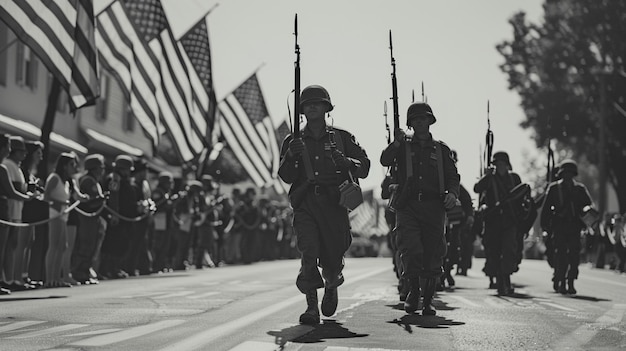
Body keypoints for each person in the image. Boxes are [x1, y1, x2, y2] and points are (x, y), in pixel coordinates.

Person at [279, 85, 370, 325]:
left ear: (326, 108)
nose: (312, 107)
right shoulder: (293, 140)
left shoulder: (341, 137)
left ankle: (331, 282)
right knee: (308, 252)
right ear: (301, 109)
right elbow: (286, 175)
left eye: (317, 103)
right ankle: (311, 307)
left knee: (333, 255)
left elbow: (365, 165)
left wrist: (347, 162)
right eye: (308, 103)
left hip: (334, 204)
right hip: (306, 202)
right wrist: (290, 155)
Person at [380, 102, 459, 316]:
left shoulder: (441, 149)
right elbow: (384, 160)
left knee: (434, 252)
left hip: (434, 206)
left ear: (430, 121)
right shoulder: (402, 146)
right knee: (410, 248)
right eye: (415, 119)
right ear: (410, 123)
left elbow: (453, 177)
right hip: (409, 205)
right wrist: (395, 143)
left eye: (423, 118)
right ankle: (413, 291)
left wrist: (452, 193)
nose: (419, 122)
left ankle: (428, 299)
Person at [540, 160, 593, 294]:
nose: (567, 175)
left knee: (574, 255)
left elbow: (588, 206)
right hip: (559, 226)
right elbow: (546, 209)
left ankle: (571, 280)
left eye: (570, 173)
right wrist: (545, 227)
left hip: (575, 226)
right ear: (561, 174)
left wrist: (587, 216)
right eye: (565, 173)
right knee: (561, 254)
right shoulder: (554, 188)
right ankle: (561, 280)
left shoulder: (579, 189)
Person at [474, 151, 522, 296]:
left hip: (509, 221)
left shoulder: (514, 179)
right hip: (493, 222)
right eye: (498, 164)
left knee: (509, 251)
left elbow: (522, 196)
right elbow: (477, 188)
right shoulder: (490, 179)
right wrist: (487, 175)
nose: (501, 167)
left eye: (503, 164)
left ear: (508, 165)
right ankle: (498, 278)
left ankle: (505, 279)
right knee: (493, 252)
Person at [0, 134, 36, 294]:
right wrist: (29, 197)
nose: (25, 154)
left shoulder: (12, 166)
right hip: (6, 210)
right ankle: (7, 279)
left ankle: (8, 278)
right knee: (4, 247)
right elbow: (12, 192)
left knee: (10, 246)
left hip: (12, 211)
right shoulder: (5, 166)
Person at [43, 152, 83, 288]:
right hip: (55, 214)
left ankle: (57, 278)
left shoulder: (67, 181)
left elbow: (76, 196)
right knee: (54, 245)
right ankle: (50, 279)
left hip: (63, 216)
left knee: (63, 246)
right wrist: (58, 203)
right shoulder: (54, 178)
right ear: (64, 166)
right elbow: (46, 196)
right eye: (72, 164)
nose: (74, 167)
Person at [72, 154, 107, 284]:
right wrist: (101, 199)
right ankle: (79, 272)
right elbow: (89, 202)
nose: (103, 170)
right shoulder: (88, 181)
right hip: (86, 217)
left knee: (92, 245)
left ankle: (86, 271)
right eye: (101, 167)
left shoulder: (95, 181)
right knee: (86, 245)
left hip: (94, 218)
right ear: (94, 168)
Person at [21, 141, 46, 286]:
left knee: (29, 244)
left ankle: (25, 276)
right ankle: (15, 277)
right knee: (21, 244)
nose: (41, 157)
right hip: (24, 212)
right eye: (38, 153)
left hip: (31, 213)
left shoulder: (31, 173)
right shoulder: (23, 171)